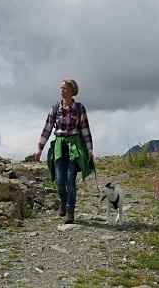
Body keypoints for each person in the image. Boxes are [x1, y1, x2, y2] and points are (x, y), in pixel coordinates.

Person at [34, 79, 94, 224]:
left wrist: (90, 149)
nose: (62, 91)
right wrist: (40, 148)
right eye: (61, 88)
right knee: (60, 181)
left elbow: (85, 129)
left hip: (74, 146)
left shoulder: (79, 108)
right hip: (59, 146)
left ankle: (70, 210)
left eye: (65, 88)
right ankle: (63, 201)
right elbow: (47, 128)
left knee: (70, 181)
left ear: (72, 91)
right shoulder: (55, 108)